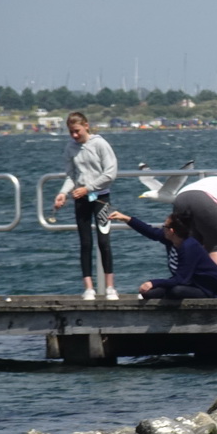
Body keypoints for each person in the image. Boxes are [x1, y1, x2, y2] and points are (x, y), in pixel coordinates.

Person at [53, 111, 119, 300]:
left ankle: (110, 287)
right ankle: (88, 287)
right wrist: (62, 193)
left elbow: (110, 173)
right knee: (85, 243)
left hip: (100, 198)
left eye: (77, 131)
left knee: (104, 241)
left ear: (86, 126)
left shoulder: (100, 144)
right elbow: (71, 176)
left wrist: (88, 188)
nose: (74, 135)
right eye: (71, 132)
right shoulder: (70, 148)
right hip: (81, 199)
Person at [108, 210, 217, 299]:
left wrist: (153, 282)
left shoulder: (189, 247)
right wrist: (126, 218)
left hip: (209, 290)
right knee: (148, 294)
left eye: (164, 226)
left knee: (176, 291)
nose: (162, 229)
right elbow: (149, 231)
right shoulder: (171, 240)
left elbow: (182, 279)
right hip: (190, 284)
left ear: (171, 230)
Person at [172, 176, 217, 273]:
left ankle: (189, 283)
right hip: (206, 201)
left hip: (180, 198)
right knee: (216, 248)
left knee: (190, 246)